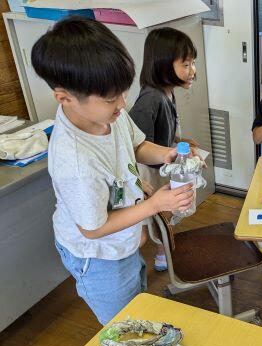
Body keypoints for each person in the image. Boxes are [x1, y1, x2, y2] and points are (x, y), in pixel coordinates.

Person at [31, 17, 195, 325]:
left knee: (138, 304)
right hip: (98, 257)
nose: (122, 104)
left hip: (122, 243)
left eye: (123, 92)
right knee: (125, 327)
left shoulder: (110, 114)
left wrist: (167, 154)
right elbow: (93, 229)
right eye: (111, 99)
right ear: (65, 98)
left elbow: (137, 145)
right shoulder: (75, 161)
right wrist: (154, 205)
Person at [130, 27, 201, 272]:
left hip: (162, 165)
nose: (193, 71)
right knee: (155, 221)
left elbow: (166, 131)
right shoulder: (151, 99)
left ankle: (163, 253)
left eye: (193, 63)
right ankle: (161, 256)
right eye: (186, 64)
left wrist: (182, 142)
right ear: (162, 65)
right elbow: (138, 146)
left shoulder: (167, 93)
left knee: (167, 214)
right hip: (150, 172)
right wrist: (174, 152)